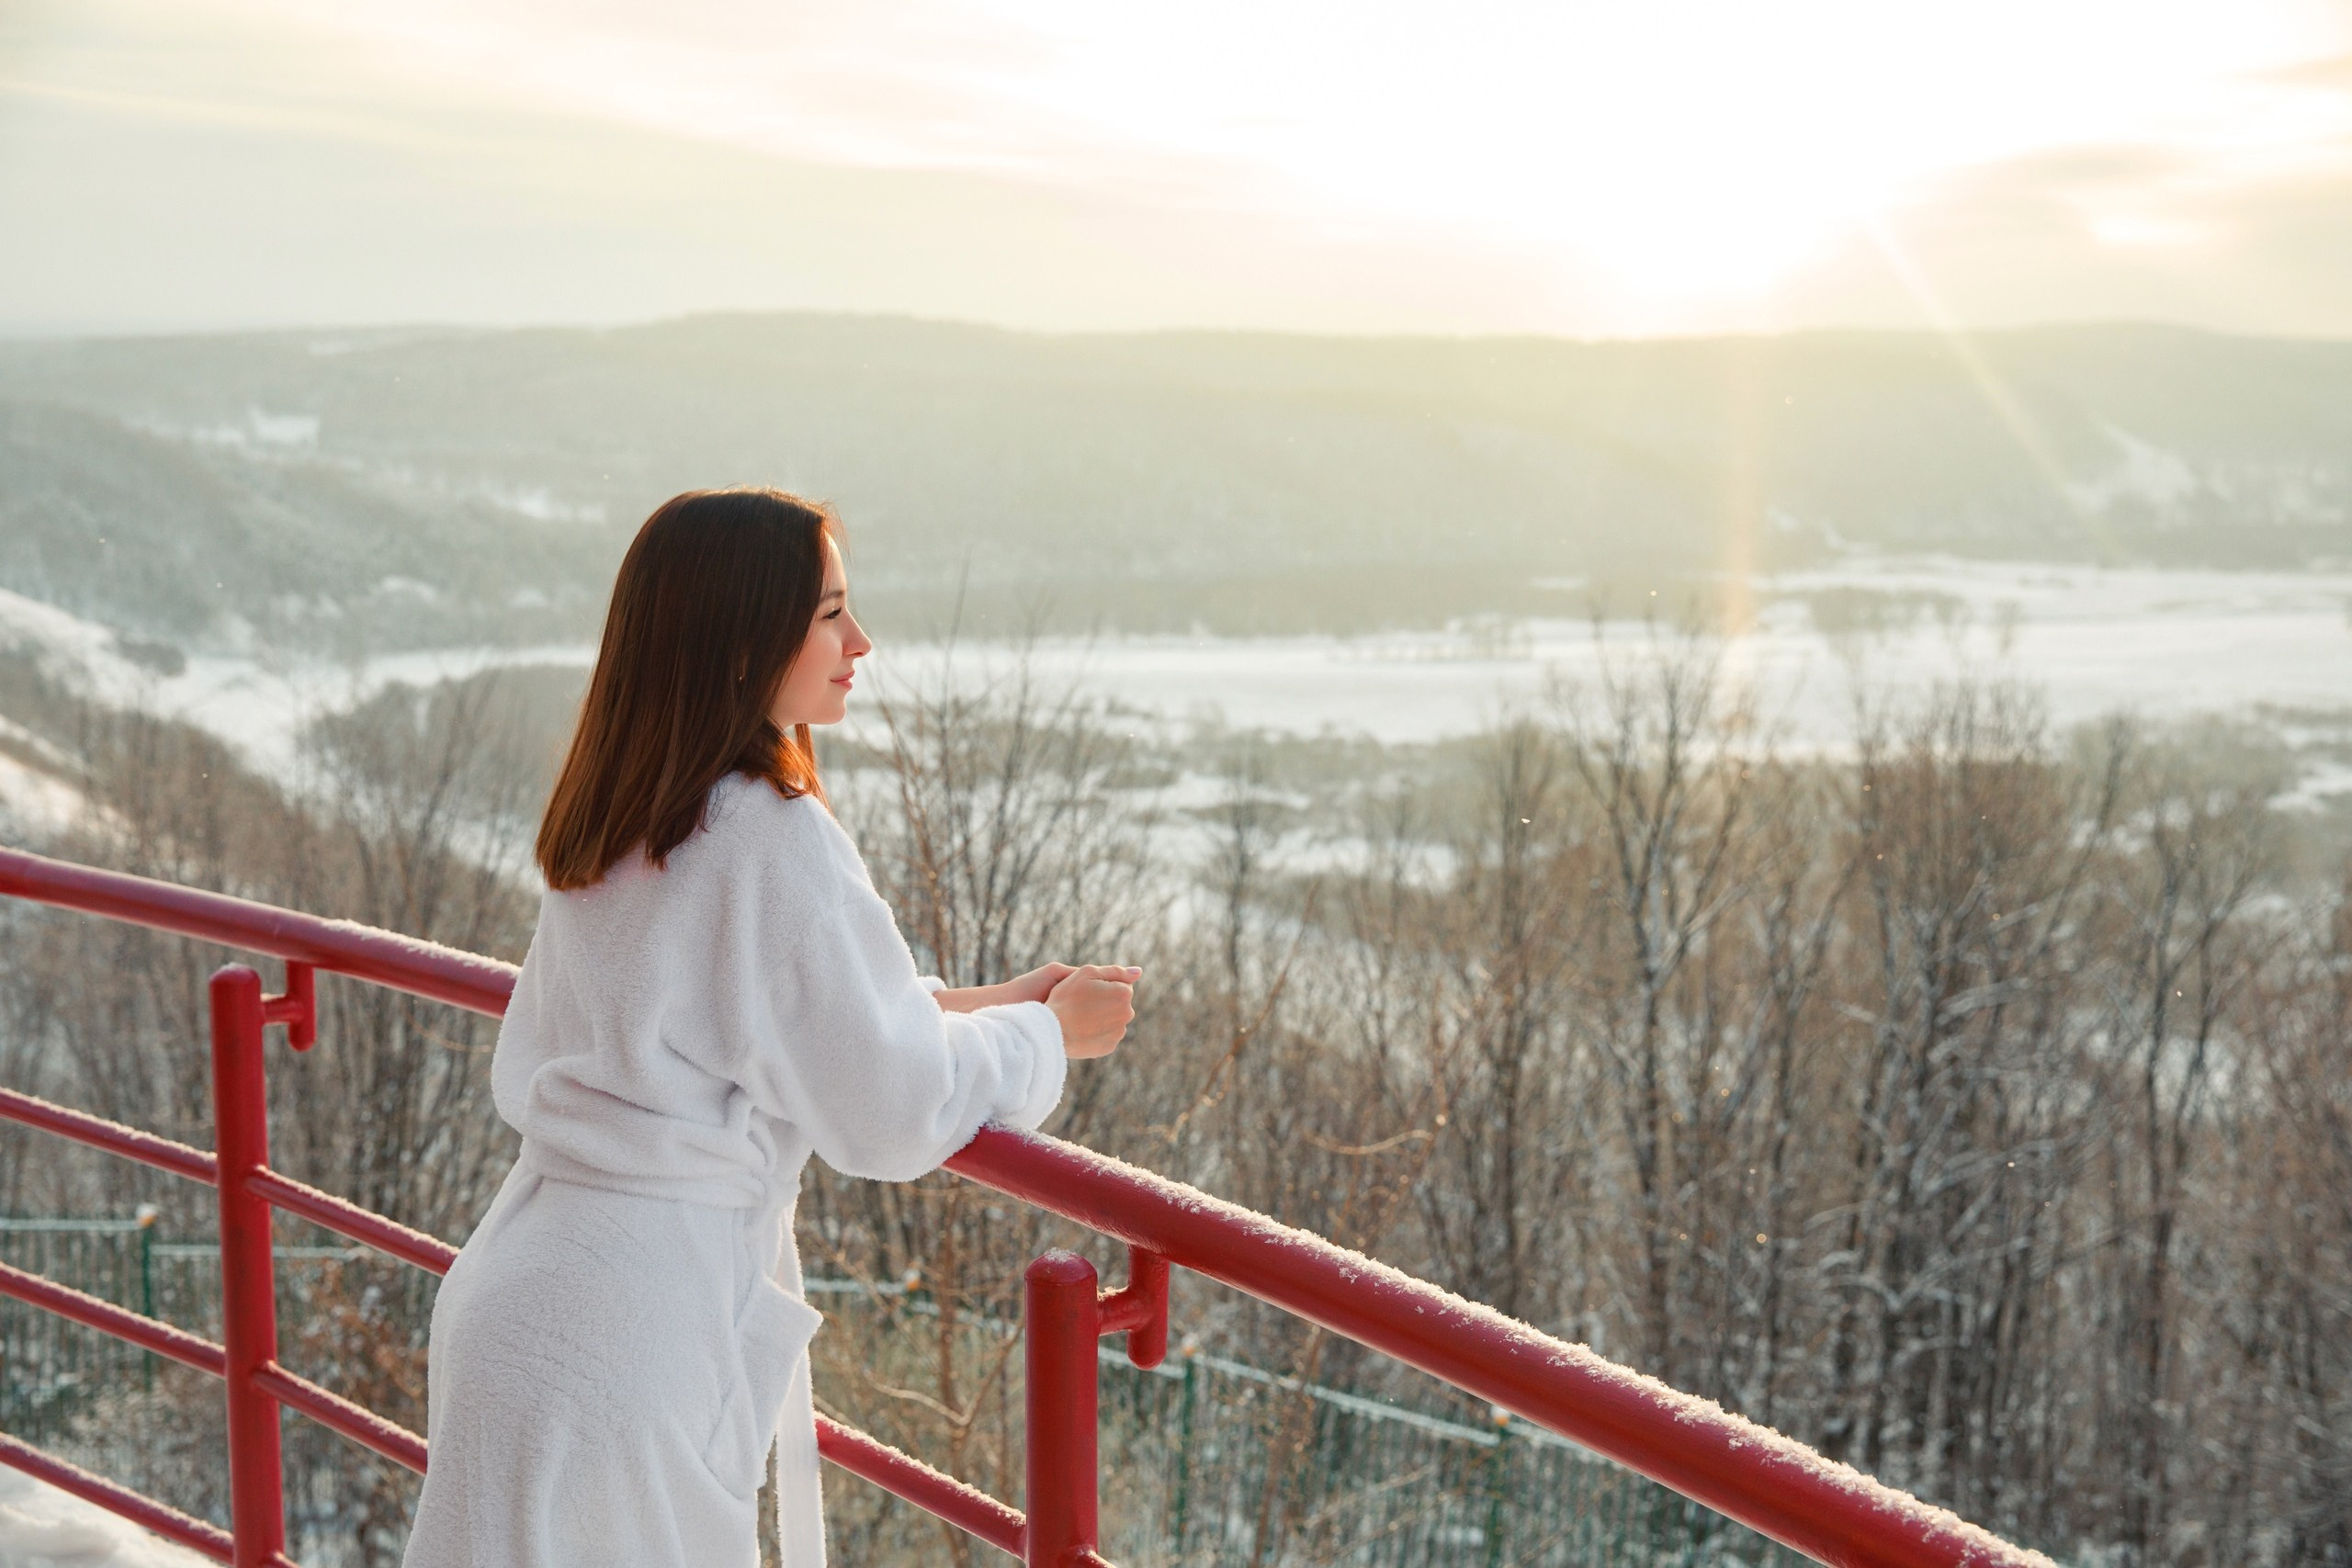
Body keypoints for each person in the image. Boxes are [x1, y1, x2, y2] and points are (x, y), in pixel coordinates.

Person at [401, 488, 1137, 1568]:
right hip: (633, 1348)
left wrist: (972, 1008)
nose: (860, 642)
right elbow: (889, 1111)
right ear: (747, 635)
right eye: (830, 612)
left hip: (520, 1307)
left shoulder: (623, 809)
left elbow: (750, 1013)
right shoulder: (765, 834)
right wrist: (1043, 1040)